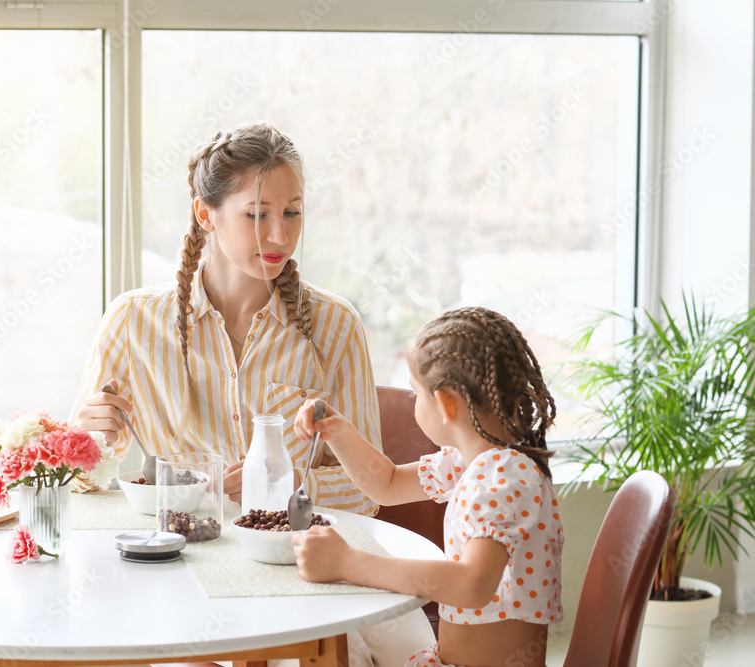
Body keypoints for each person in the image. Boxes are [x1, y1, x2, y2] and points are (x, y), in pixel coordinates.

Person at [68, 121, 383, 517]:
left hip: (293, 561)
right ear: (205, 214)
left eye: (292, 213)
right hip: (175, 556)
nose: (281, 236)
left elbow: (370, 492)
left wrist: (287, 484)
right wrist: (86, 439)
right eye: (256, 215)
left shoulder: (336, 325)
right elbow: (80, 481)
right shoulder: (132, 320)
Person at [292, 307, 563, 667]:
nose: (414, 402)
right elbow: (386, 483)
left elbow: (472, 584)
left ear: (445, 404)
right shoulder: (474, 462)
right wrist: (339, 432)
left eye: (417, 394)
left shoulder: (503, 477)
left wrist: (350, 563)